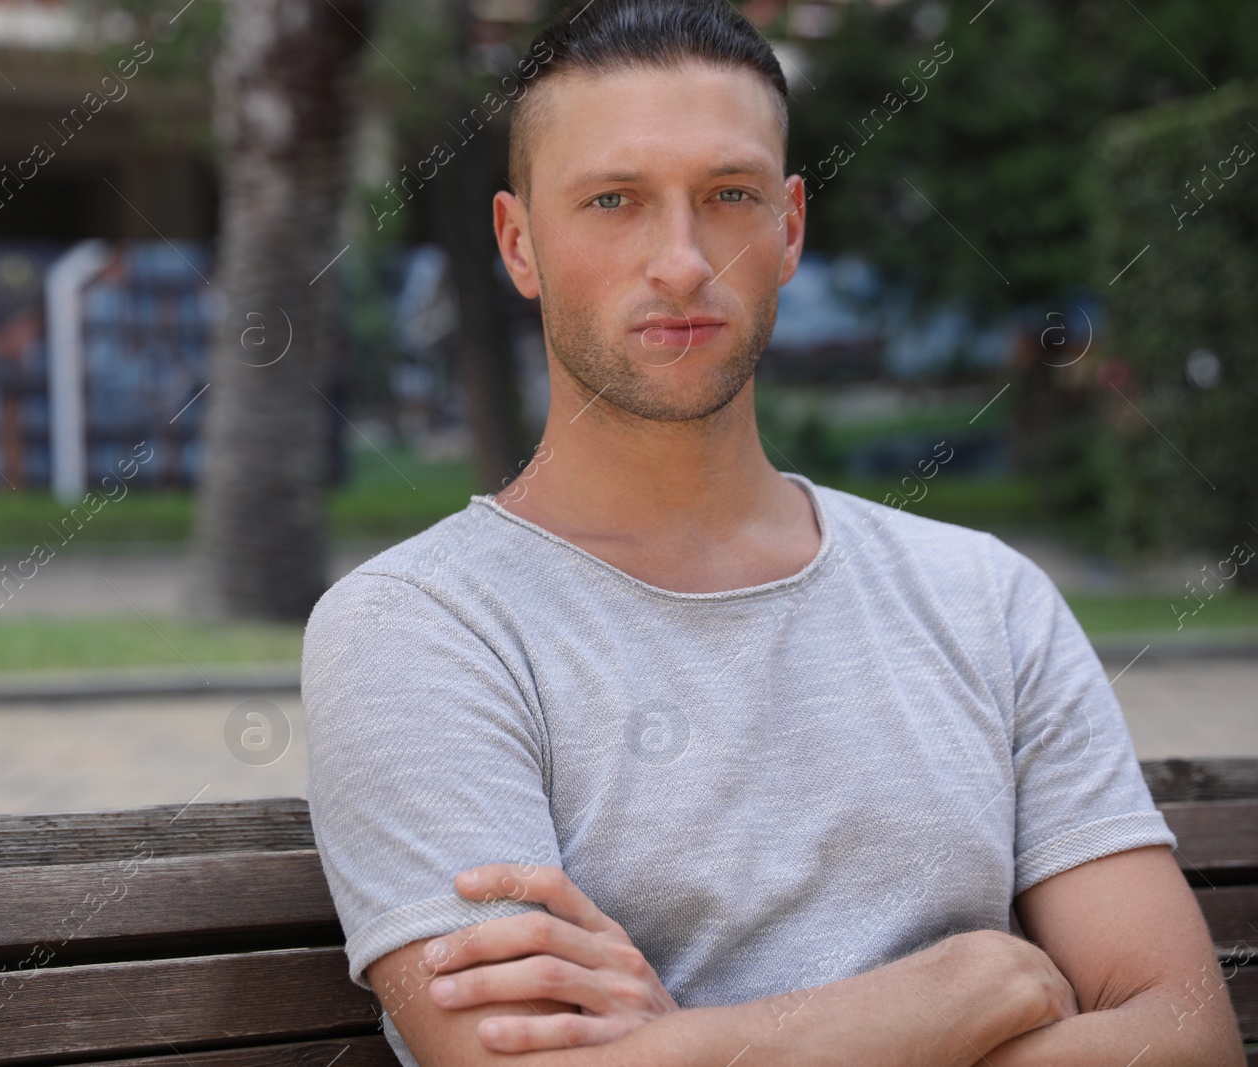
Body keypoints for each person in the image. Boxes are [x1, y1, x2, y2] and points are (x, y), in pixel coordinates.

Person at [299, 2, 1243, 1064]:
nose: (680, 259)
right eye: (612, 200)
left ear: (789, 226)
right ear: (519, 243)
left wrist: (692, 1046)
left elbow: (1185, 1035)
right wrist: (966, 986)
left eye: (728, 195)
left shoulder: (985, 596)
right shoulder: (419, 629)